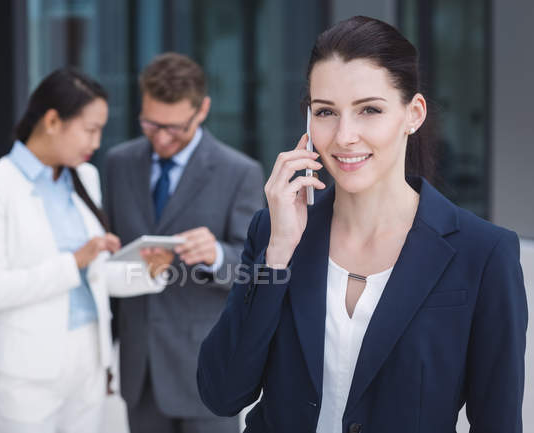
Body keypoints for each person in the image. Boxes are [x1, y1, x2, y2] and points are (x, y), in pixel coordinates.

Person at [197, 16, 527, 433]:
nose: (344, 136)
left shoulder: (483, 253)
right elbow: (222, 393)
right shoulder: (273, 232)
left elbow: (498, 422)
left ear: (414, 113)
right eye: (326, 112)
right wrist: (277, 254)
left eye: (369, 109)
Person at [0, 68, 171, 433]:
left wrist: (151, 270)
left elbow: (97, 274)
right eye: (90, 129)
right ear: (53, 120)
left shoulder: (84, 178)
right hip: (26, 372)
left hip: (89, 362)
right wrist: (74, 260)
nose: (97, 140)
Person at [102, 52, 265, 433]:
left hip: (205, 370)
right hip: (139, 371)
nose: (160, 137)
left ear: (202, 110)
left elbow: (256, 270)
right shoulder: (119, 163)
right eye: (150, 123)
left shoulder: (239, 172)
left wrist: (216, 256)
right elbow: (110, 257)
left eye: (174, 128)